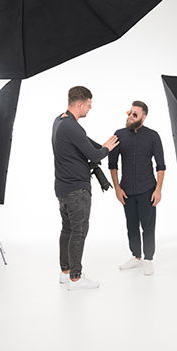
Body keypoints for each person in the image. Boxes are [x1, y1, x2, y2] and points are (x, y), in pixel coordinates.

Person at [52, 86, 119, 290]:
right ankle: (76, 278)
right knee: (79, 231)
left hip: (63, 188)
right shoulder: (72, 127)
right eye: (89, 104)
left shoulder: (61, 121)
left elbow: (86, 144)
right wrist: (107, 148)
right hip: (76, 190)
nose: (90, 108)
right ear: (79, 104)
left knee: (68, 229)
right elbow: (95, 155)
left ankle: (65, 272)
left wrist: (105, 145)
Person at [109, 101, 165, 276]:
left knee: (148, 226)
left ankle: (148, 259)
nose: (130, 116)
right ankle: (136, 256)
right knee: (131, 226)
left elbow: (161, 166)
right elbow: (112, 165)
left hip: (148, 189)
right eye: (129, 113)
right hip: (127, 190)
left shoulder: (153, 136)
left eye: (135, 114)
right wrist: (117, 188)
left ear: (143, 117)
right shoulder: (119, 135)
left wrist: (158, 190)